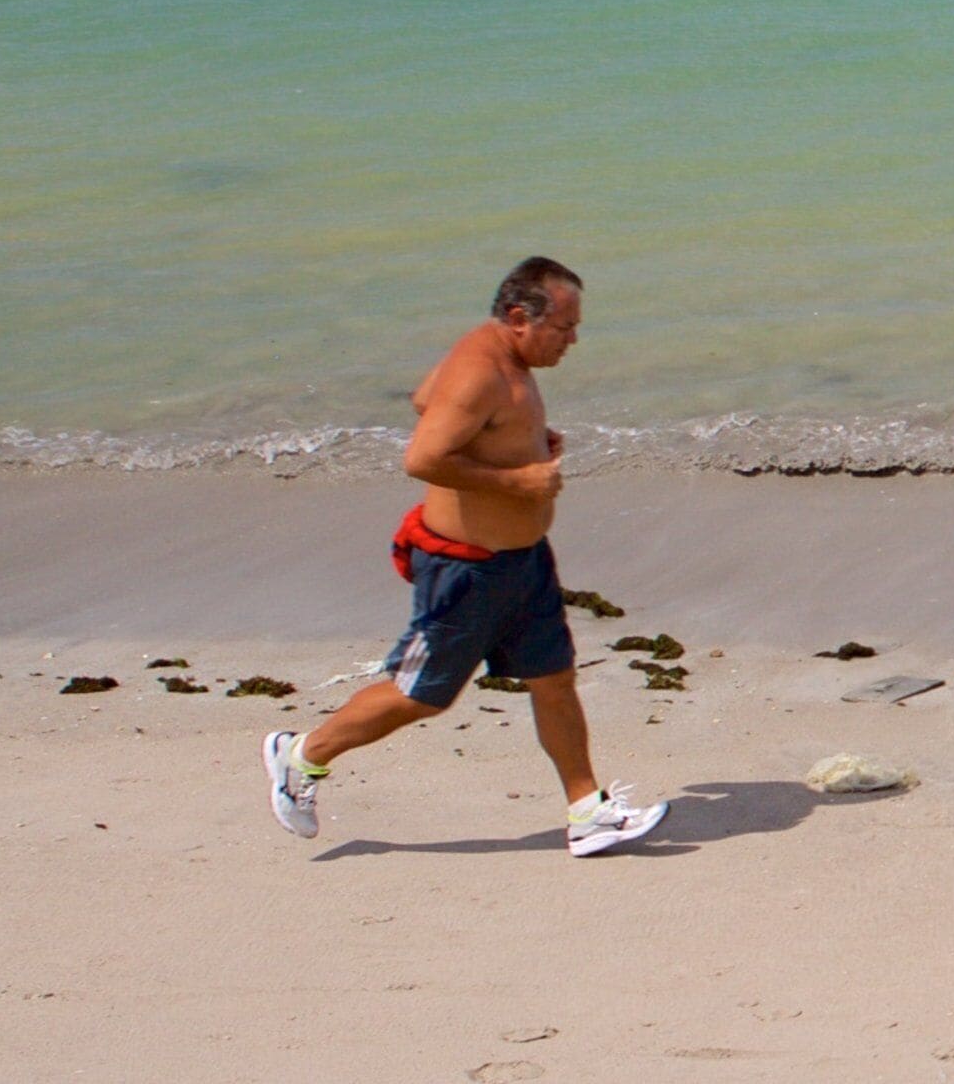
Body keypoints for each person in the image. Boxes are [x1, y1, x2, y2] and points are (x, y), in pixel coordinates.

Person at [264, 257, 667, 857]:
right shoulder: (479, 370)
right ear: (518, 318)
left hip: (523, 561)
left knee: (554, 679)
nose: (573, 340)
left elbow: (425, 399)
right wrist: (518, 481)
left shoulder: (501, 359)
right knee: (421, 695)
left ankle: (588, 812)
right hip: (465, 569)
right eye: (564, 327)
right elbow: (422, 457)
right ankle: (301, 755)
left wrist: (522, 444)